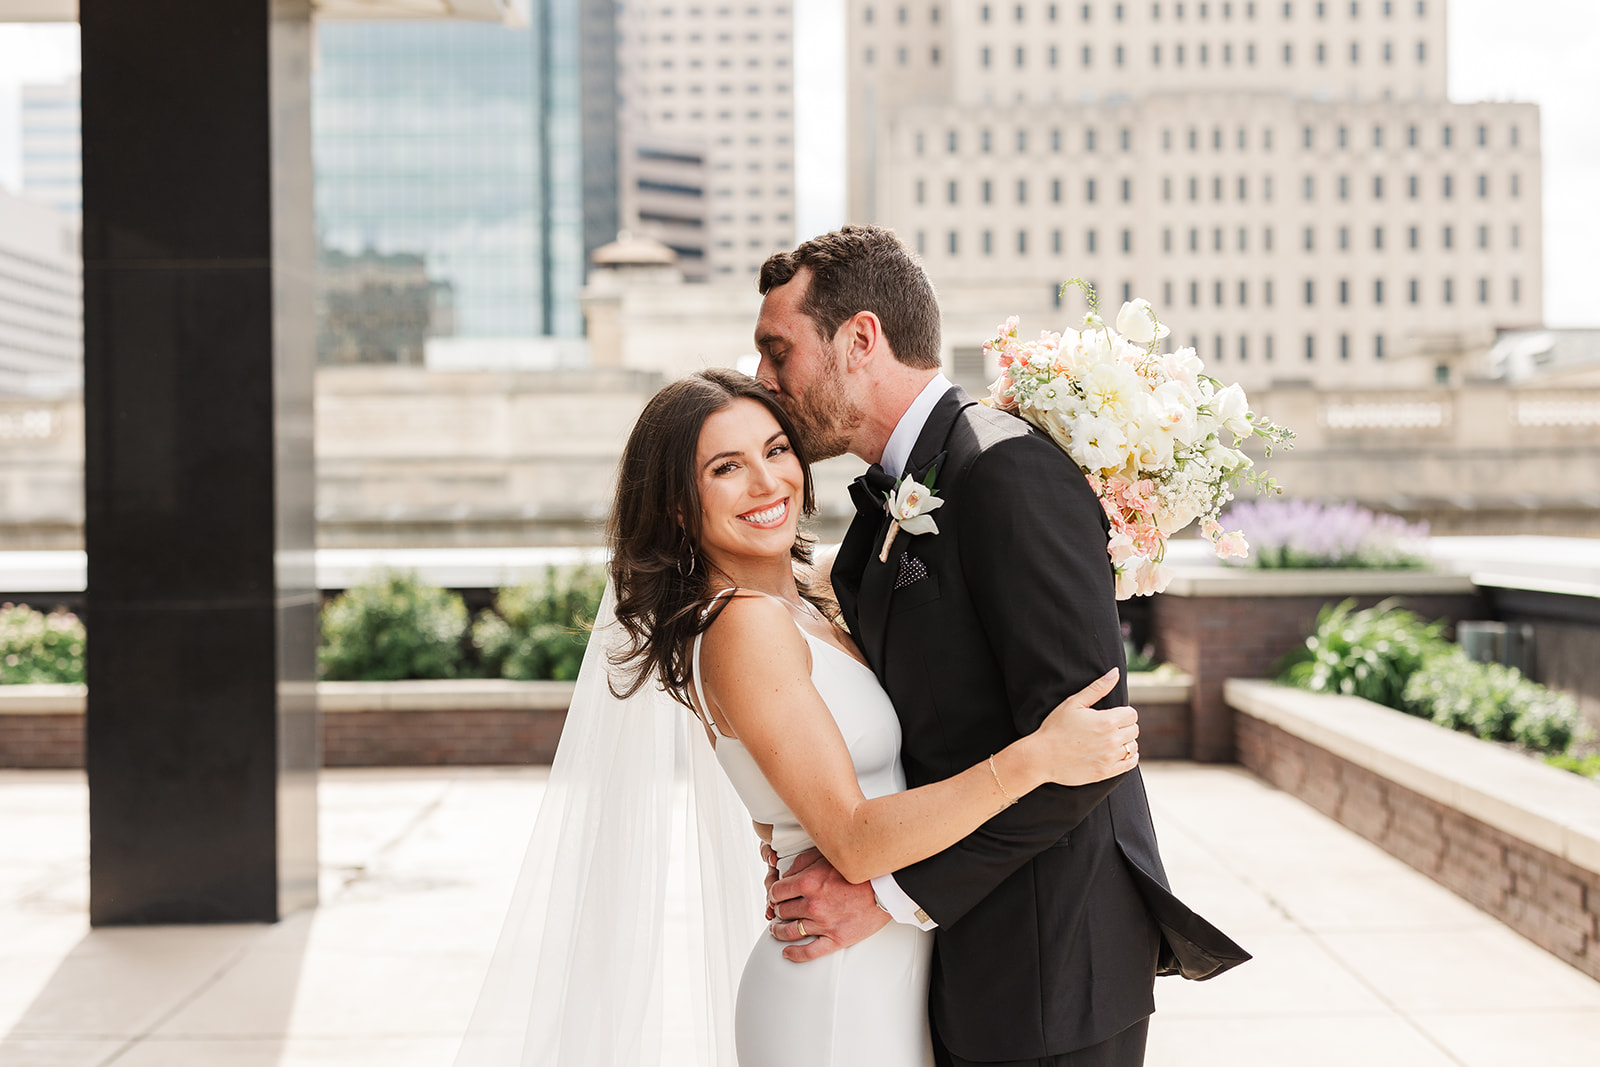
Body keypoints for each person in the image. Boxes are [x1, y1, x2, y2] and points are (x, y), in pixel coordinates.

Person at [751, 225, 1250, 1067]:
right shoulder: (874, 519)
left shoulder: (1009, 470)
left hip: (1053, 969)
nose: (763, 380)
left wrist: (888, 892)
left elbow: (1087, 756)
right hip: (956, 965)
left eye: (777, 350)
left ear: (860, 338)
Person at [609, 368, 1144, 1066]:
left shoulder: (813, 597)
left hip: (893, 972)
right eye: (726, 468)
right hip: (833, 993)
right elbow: (856, 840)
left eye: (775, 450)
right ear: (679, 507)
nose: (768, 483)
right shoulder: (743, 626)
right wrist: (1033, 758)